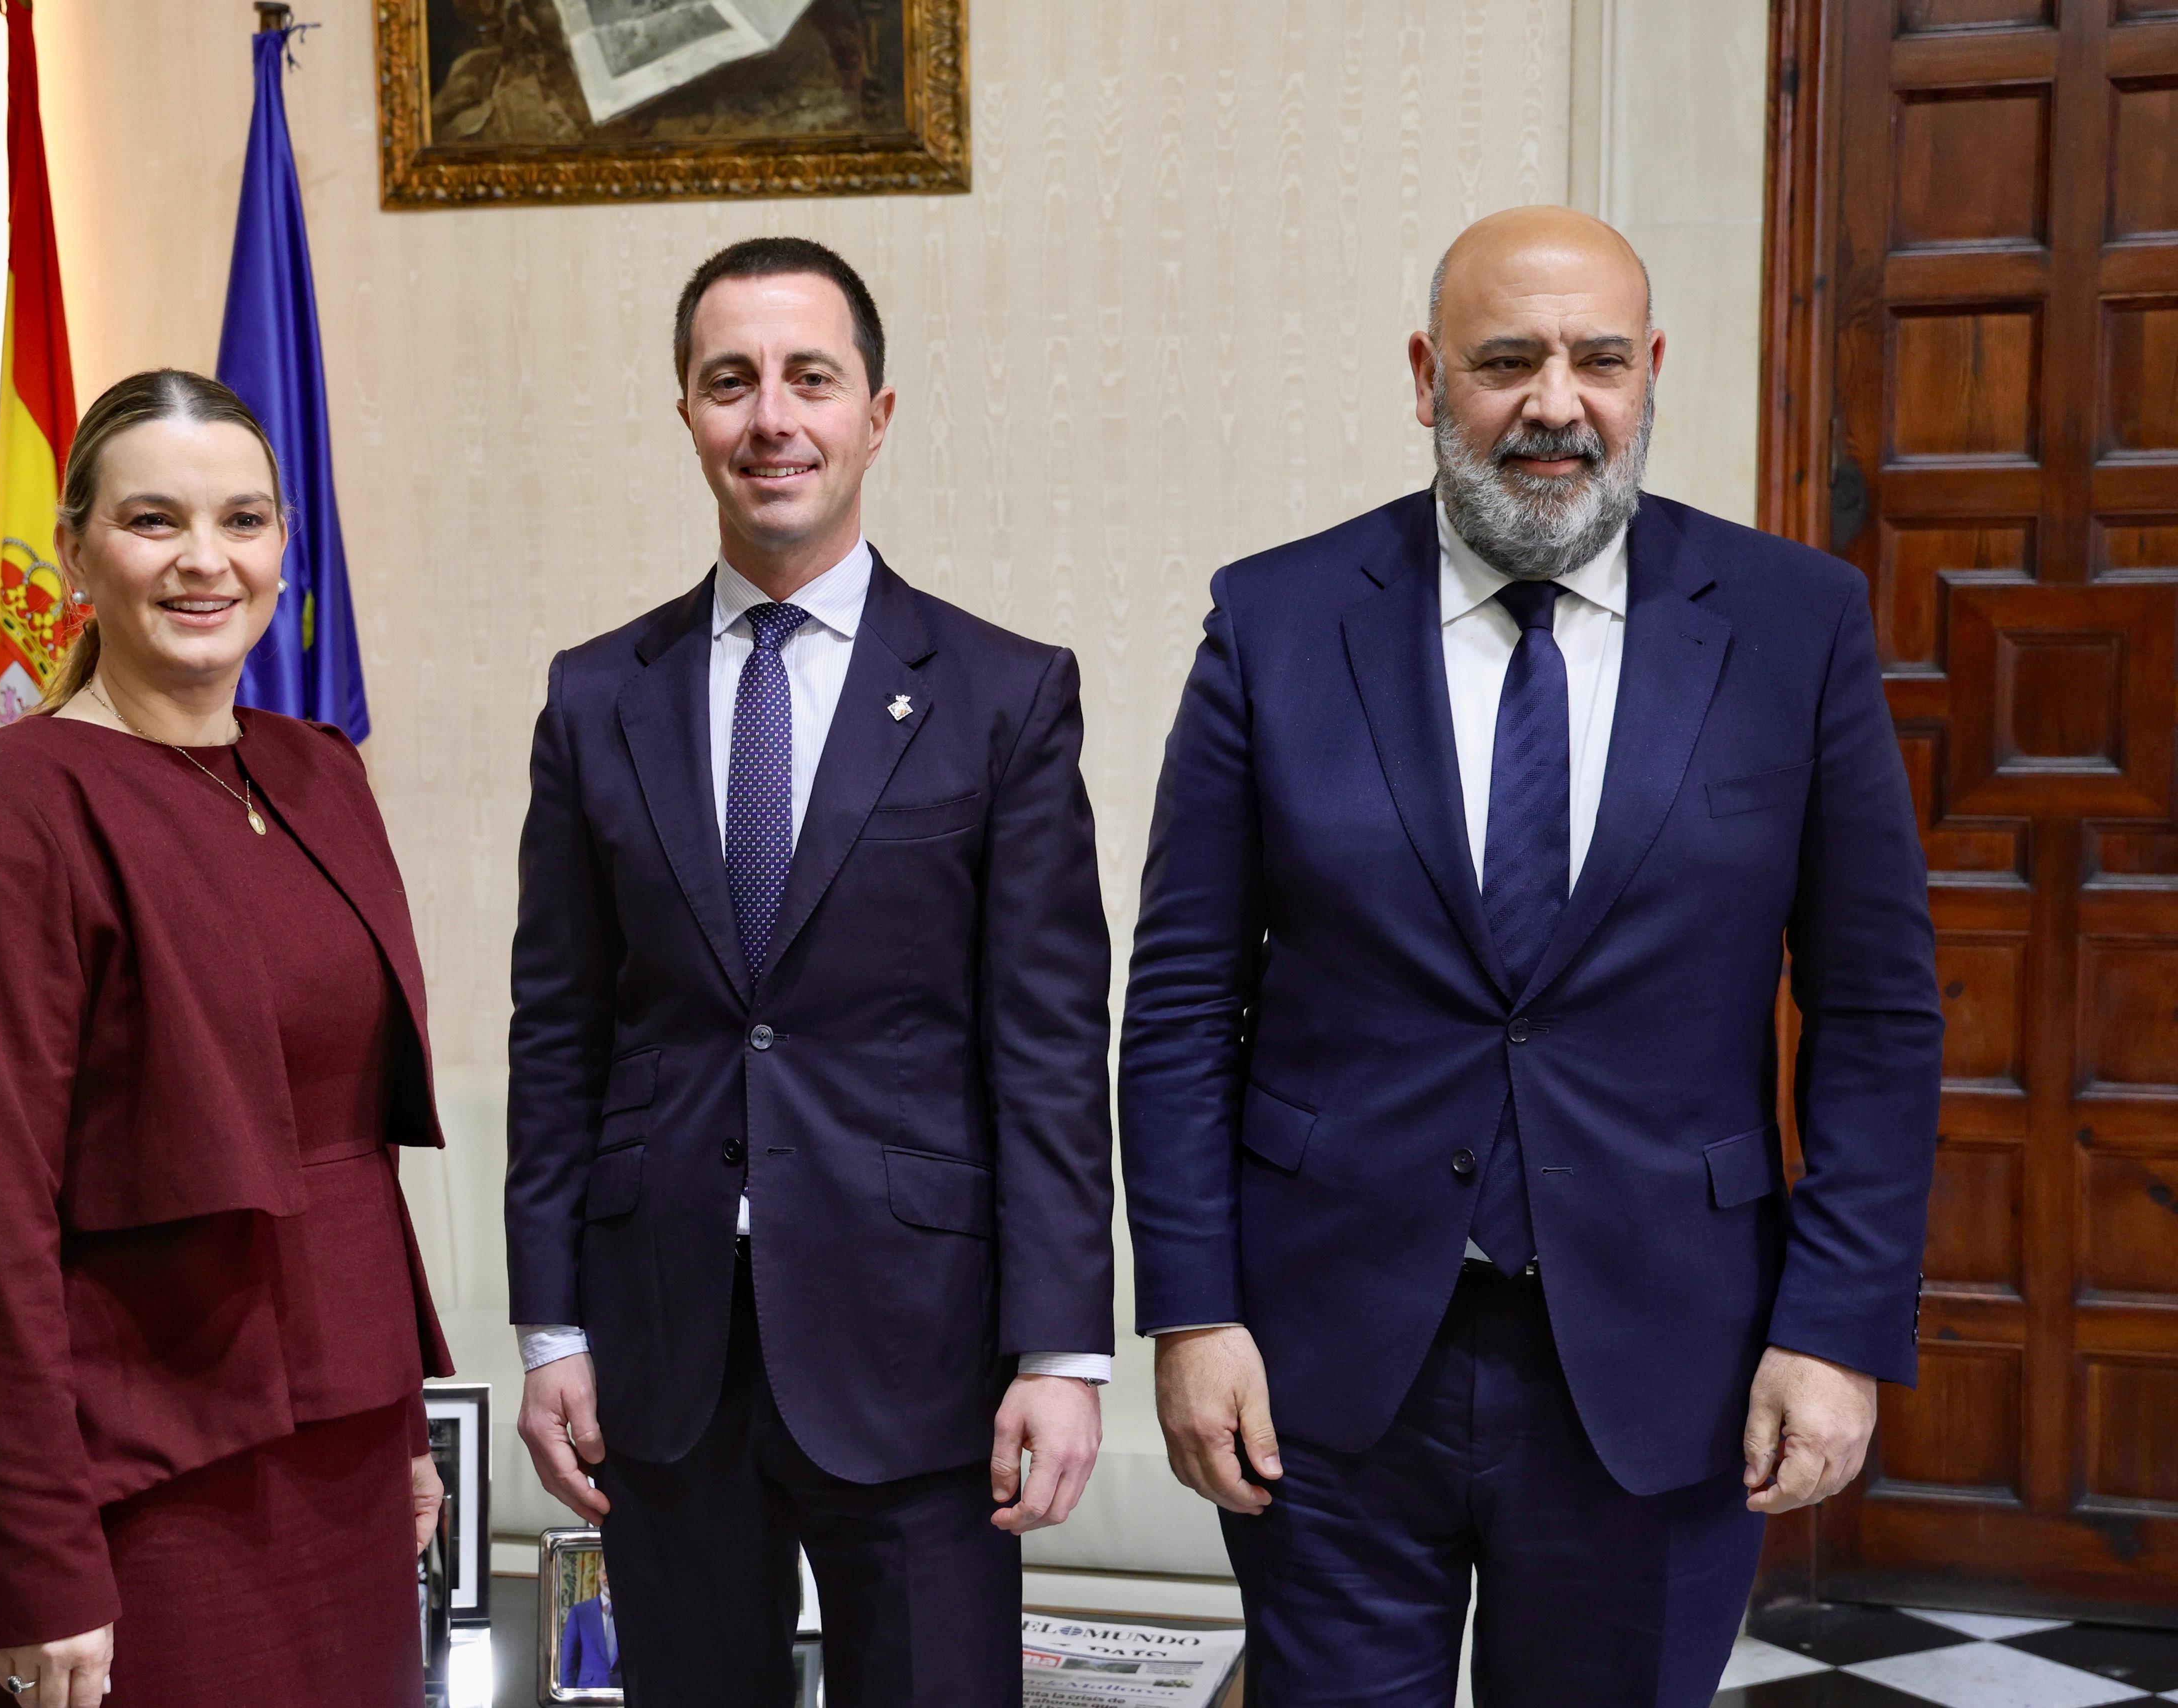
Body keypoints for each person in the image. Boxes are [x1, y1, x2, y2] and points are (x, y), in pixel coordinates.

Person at [1120, 206, 1942, 1705]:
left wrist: (1831, 1328)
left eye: (1594, 360)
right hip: (1329, 1360)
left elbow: (1874, 1015)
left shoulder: (1789, 623)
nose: (1551, 404)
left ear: (1648, 375)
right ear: (1427, 373)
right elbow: (1181, 1004)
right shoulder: (1276, 619)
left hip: (1665, 1360)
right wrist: (1190, 1307)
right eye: (1504, 360)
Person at [505, 236, 1116, 1707]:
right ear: (688, 417)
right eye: (730, 382)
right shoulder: (598, 697)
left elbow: (1043, 1039)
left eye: (808, 378)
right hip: (664, 1343)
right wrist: (550, 1327)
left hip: (919, 1341)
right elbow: (558, 1029)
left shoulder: (1000, 695)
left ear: (875, 414)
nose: (769, 416)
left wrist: (1061, 1347)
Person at [0, 370, 453, 1708]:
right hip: (149, 1469)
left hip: (349, 1450)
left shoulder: (318, 772)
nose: (207, 561)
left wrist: (407, 1426)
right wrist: (38, 1561)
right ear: (73, 549)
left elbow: (351, 1146)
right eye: (153, 521)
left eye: (243, 520)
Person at [559, 1561, 621, 1688]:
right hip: (588, 1695)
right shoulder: (580, 1613)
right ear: (598, 1575)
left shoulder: (635, 1614)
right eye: (605, 1572)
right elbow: (568, 1664)